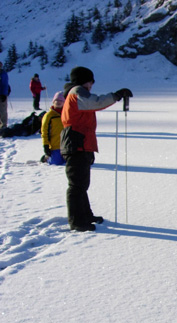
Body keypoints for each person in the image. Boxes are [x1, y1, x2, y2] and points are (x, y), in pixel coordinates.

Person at [60, 66, 132, 232]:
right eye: (90, 81)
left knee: (81, 183)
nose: (91, 85)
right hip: (76, 143)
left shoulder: (75, 93)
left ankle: (85, 215)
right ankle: (77, 221)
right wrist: (116, 96)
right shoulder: (77, 91)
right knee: (77, 185)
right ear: (83, 81)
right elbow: (96, 102)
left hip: (81, 143)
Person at [41, 91, 65, 165]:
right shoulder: (49, 116)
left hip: (65, 145)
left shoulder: (66, 114)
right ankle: (46, 157)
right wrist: (46, 145)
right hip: (54, 146)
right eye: (56, 100)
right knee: (57, 163)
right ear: (53, 101)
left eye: (61, 100)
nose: (58, 102)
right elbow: (44, 132)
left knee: (69, 162)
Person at [0, 61, 10, 131]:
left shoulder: (3, 74)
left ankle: (3, 125)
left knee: (3, 110)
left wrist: (4, 94)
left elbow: (5, 84)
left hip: (2, 95)